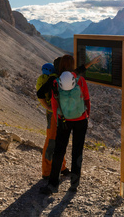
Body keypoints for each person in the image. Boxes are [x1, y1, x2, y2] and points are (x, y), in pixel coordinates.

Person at [37, 54, 94, 194]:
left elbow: (47, 99)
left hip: (63, 121)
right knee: (77, 151)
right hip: (80, 120)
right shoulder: (79, 80)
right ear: (72, 66)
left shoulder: (55, 82)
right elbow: (87, 99)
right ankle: (74, 185)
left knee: (59, 151)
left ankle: (53, 185)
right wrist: (86, 116)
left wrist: (54, 114)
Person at [36, 62, 69, 179]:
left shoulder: (58, 78)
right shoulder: (53, 79)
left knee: (59, 141)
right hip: (53, 115)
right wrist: (48, 107)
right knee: (51, 141)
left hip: (59, 114)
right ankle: (47, 172)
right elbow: (40, 93)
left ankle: (61, 167)